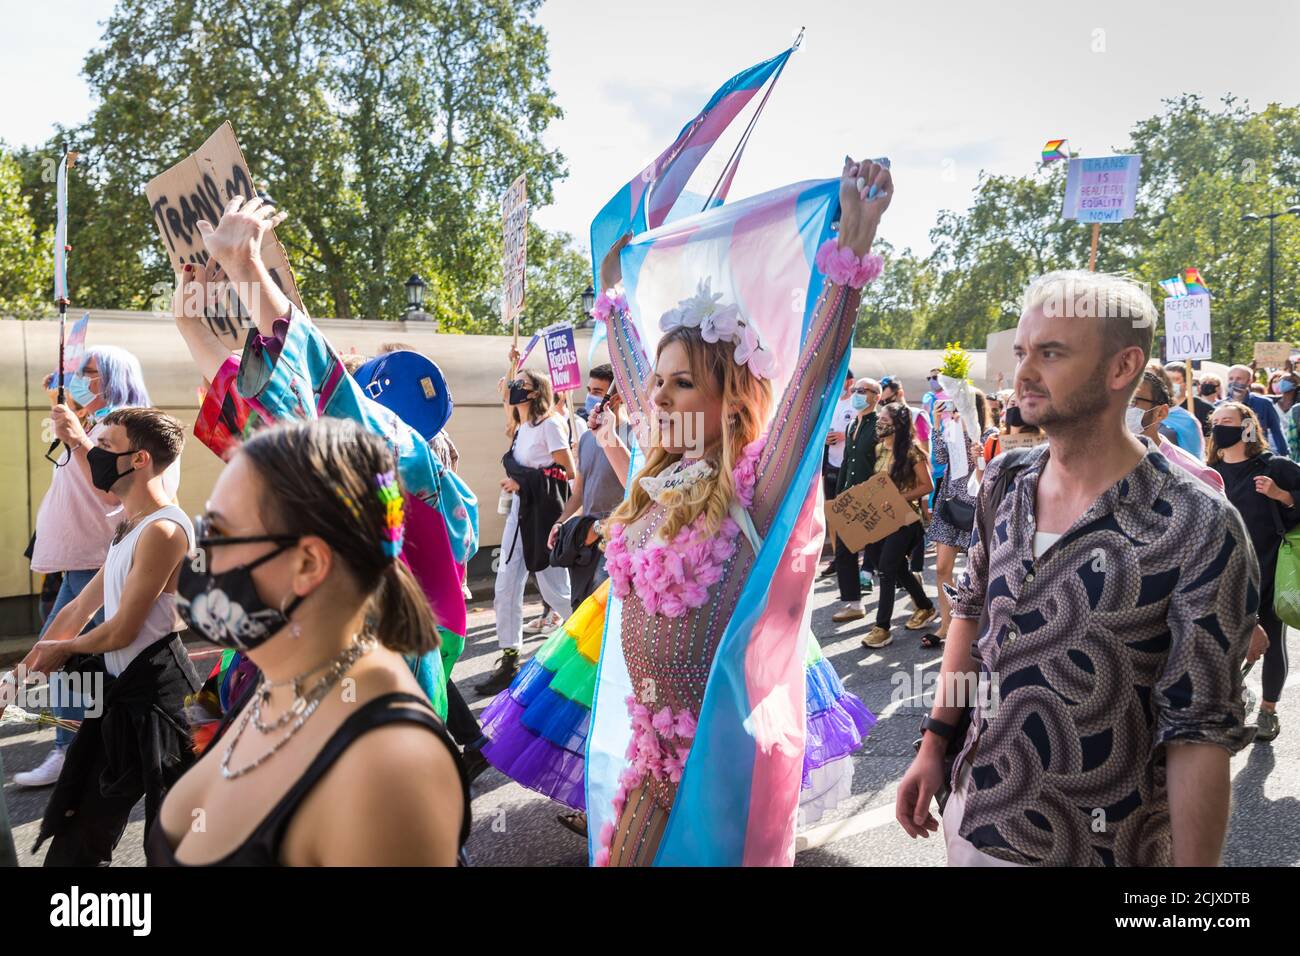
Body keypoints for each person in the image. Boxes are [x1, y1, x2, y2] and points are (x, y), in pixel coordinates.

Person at [586, 156, 891, 866]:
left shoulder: (755, 494)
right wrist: (609, 293)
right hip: (647, 755)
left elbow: (814, 379)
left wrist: (853, 246)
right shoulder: (656, 482)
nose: (658, 399)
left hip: (713, 762)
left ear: (729, 407)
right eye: (657, 383)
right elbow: (636, 387)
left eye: (682, 383)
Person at [896, 270, 1257, 867]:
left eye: (1051, 353)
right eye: (1021, 353)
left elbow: (1200, 732)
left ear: (1122, 369)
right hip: (972, 818)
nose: (1024, 374)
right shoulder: (1006, 482)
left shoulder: (1198, 524)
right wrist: (935, 742)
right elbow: (970, 613)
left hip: (1105, 848)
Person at [148, 418, 469, 865]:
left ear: (308, 563)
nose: (198, 554)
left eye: (218, 533)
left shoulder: (385, 771)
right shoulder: (287, 675)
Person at [3, 408, 199, 865]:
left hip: (163, 699)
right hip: (121, 692)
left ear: (140, 459)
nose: (95, 456)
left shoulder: (165, 529)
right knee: (81, 826)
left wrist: (64, 650)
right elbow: (76, 609)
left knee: (176, 841)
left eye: (107, 447)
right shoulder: (126, 524)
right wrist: (13, 686)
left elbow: (121, 630)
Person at [16, 347, 178, 789]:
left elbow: (115, 492)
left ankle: (92, 754)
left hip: (102, 559)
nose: (79, 378)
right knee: (73, 653)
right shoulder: (95, 425)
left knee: (96, 659)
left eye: (90, 372)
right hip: (81, 562)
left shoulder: (131, 435)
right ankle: (77, 751)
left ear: (114, 377)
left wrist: (81, 442)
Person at [482, 367, 575, 694]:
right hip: (519, 513)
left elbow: (569, 471)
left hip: (543, 516)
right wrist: (508, 378)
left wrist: (523, 481)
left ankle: (590, 647)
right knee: (505, 587)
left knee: (556, 591)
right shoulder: (523, 427)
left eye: (521, 384)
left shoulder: (551, 424)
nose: (515, 387)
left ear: (536, 391)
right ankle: (509, 658)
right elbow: (511, 417)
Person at [1208, 402, 1297, 742]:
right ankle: (1237, 691)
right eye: (1214, 422)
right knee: (1221, 642)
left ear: (1247, 427)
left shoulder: (1274, 466)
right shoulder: (1208, 472)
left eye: (1227, 421)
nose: (1219, 428)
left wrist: (1282, 495)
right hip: (1223, 573)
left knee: (1272, 642)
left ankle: (1268, 711)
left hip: (1269, 567)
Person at [859, 402, 937, 648]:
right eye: (879, 419)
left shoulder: (912, 452)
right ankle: (925, 606)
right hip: (880, 519)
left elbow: (927, 486)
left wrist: (897, 498)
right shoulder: (880, 448)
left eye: (884, 420)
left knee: (886, 569)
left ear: (898, 426)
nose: (879, 424)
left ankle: (882, 628)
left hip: (905, 520)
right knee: (897, 567)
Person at [548, 367, 628, 606]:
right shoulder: (586, 438)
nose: (592, 397)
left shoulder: (634, 437)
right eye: (590, 390)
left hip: (615, 541)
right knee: (581, 608)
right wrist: (561, 522)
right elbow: (580, 492)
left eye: (598, 391)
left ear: (617, 396)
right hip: (585, 539)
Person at [927, 390, 998, 646]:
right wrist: (936, 425)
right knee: (942, 568)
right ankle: (946, 623)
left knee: (978, 574)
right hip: (949, 503)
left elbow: (989, 471)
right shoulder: (950, 428)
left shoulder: (989, 435)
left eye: (959, 405)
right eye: (953, 406)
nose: (954, 410)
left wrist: (977, 454)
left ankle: (975, 626)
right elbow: (940, 459)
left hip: (976, 509)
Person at [831, 377, 881, 621]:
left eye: (863, 390)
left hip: (870, 498)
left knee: (882, 554)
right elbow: (846, 462)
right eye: (855, 390)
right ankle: (853, 603)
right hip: (849, 498)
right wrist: (839, 495)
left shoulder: (880, 425)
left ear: (876, 397)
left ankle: (919, 598)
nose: (856, 394)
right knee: (844, 552)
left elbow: (883, 464)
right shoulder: (853, 425)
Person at [1130, 368, 1224, 492]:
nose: (1118, 408)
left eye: (1131, 401)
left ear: (1160, 413)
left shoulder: (1195, 476)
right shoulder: (1101, 468)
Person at [820, 368, 859, 577]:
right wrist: (826, 437)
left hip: (850, 467)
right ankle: (838, 558)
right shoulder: (831, 403)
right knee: (832, 512)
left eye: (841, 378)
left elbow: (861, 428)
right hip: (832, 465)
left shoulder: (855, 404)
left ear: (849, 382)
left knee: (849, 514)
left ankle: (853, 557)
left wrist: (843, 436)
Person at [1224, 364, 1289, 456]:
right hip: (1229, 459)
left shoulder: (1263, 404)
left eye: (1239, 379)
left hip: (1257, 458)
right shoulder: (1220, 406)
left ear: (1249, 381)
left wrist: (1284, 456)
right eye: (1231, 378)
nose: (1234, 382)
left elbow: (1277, 431)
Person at [982, 391, 1041, 461]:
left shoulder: (1041, 441)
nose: (1016, 408)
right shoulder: (993, 441)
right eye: (1012, 404)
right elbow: (984, 471)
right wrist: (978, 460)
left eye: (1021, 405)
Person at [1164, 362, 1215, 437]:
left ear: (1187, 383)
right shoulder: (1157, 406)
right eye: (1166, 379)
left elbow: (1210, 438)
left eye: (1175, 379)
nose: (1170, 383)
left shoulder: (1204, 408)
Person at [1273, 371, 1300, 460]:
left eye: (1288, 380)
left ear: (1295, 384)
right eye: (1282, 380)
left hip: (1294, 451)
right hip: (1275, 448)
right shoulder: (1271, 402)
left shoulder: (1297, 407)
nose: (1283, 382)